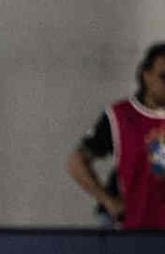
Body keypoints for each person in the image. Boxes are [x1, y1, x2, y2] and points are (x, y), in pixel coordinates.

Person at [69, 42, 165, 229]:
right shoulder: (121, 116)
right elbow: (76, 162)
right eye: (164, 77)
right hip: (128, 229)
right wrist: (108, 201)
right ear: (146, 76)